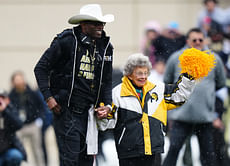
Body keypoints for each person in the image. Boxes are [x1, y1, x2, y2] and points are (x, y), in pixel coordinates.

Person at [34, 4, 114, 166]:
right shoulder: (67, 41)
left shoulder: (106, 47)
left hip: (90, 114)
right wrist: (48, 97)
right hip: (67, 111)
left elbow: (106, 81)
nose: (101, 27)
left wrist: (107, 105)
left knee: (86, 161)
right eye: (96, 23)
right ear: (83, 25)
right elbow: (40, 68)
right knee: (70, 161)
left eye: (102, 23)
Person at [97, 52, 202, 166]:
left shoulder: (158, 88)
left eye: (146, 73)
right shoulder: (116, 93)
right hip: (128, 152)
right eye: (139, 73)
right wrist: (102, 115)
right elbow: (106, 124)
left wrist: (189, 75)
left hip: (154, 149)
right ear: (129, 74)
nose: (143, 77)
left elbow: (179, 96)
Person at [162, 28, 226, 166]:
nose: (197, 42)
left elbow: (220, 82)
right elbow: (167, 82)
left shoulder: (214, 59)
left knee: (208, 155)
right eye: (194, 40)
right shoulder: (176, 57)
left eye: (200, 40)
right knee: (173, 151)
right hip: (181, 115)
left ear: (205, 40)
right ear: (187, 41)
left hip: (205, 117)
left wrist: (205, 95)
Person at [9, 71, 45, 166]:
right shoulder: (10, 96)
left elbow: (41, 106)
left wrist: (39, 120)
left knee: (37, 150)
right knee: (18, 150)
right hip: (19, 127)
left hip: (33, 125)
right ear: (13, 82)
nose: (19, 83)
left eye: (21, 80)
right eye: (17, 81)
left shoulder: (32, 93)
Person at [0, 89, 26, 166]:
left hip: (7, 151)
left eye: (2, 98)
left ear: (7, 100)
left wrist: (5, 111)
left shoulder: (10, 110)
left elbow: (19, 124)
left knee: (16, 156)